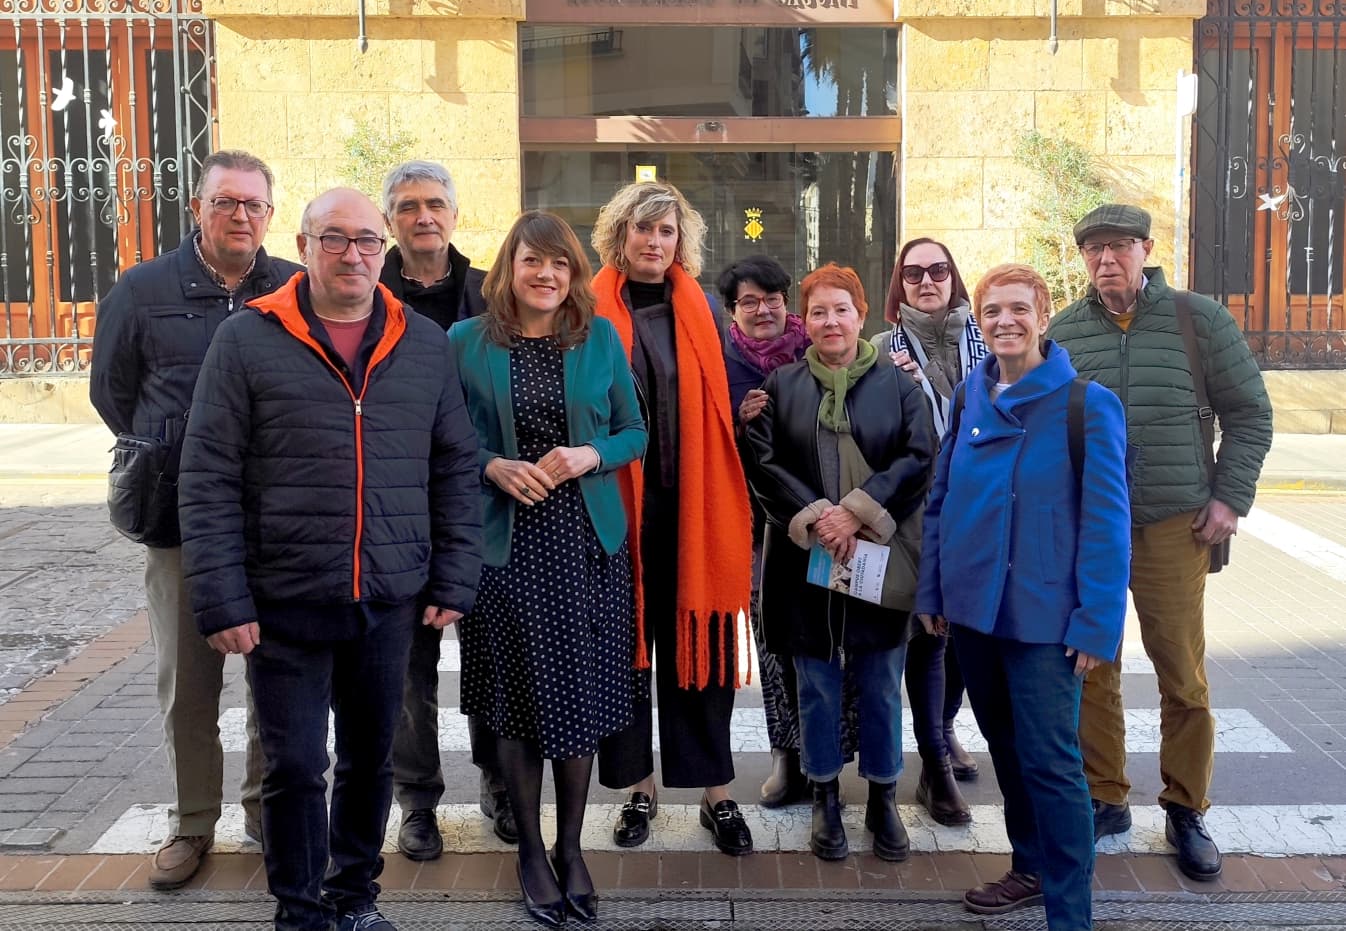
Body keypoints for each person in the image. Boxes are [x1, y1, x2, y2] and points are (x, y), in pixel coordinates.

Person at [177, 187, 483, 931]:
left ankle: (355, 896)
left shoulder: (421, 342)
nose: (353, 254)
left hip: (388, 596)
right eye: (335, 239)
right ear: (304, 247)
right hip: (285, 598)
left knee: (370, 758)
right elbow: (208, 475)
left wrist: (454, 576)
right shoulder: (247, 339)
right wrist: (222, 600)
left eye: (367, 240)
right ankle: (300, 910)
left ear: (385, 249)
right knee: (292, 765)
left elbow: (454, 464)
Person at [89, 149, 298, 888]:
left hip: (276, 521)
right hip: (180, 520)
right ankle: (192, 822)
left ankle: (268, 813)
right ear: (198, 209)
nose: (240, 215)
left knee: (276, 680)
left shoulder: (294, 287)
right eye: (225, 202)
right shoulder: (142, 290)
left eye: (254, 204)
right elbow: (113, 395)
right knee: (188, 684)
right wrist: (174, 447)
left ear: (270, 215)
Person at [1049, 204, 1273, 882]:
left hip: (1175, 523)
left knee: (1181, 671)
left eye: (1119, 246)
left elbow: (1250, 413)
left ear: (1146, 248)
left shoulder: (1197, 320)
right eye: (1093, 249)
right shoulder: (1064, 332)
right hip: (1090, 526)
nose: (1106, 259)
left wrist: (1229, 498)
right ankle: (1105, 794)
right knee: (1091, 664)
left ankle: (1185, 806)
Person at [916, 262, 1130, 930]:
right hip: (975, 612)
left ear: (1042, 314)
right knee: (1006, 751)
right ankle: (1029, 867)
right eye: (992, 311)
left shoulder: (1086, 405)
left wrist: (1097, 621)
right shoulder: (968, 397)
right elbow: (942, 500)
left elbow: (1107, 522)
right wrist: (933, 589)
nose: (1005, 321)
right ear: (979, 323)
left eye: (1018, 308)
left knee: (1053, 764)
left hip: (1045, 619)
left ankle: (1070, 912)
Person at [450, 211, 646, 926]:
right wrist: (491, 466)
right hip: (505, 548)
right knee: (514, 698)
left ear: (574, 273)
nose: (546, 274)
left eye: (560, 263)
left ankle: (571, 847)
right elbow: (444, 438)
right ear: (509, 268)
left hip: (587, 545)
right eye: (532, 260)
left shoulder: (600, 337)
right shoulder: (465, 341)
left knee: (580, 698)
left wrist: (591, 454)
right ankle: (530, 850)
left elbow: (634, 430)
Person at [744, 263, 935, 862]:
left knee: (881, 685)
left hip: (879, 555)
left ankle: (883, 795)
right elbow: (763, 463)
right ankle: (824, 793)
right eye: (819, 312)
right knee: (817, 686)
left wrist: (856, 512)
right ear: (806, 321)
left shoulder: (898, 385)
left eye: (842, 310)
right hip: (805, 560)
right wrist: (818, 517)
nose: (831, 322)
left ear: (861, 315)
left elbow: (919, 456)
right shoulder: (781, 386)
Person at [589, 181, 756, 857]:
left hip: (693, 507)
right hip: (617, 510)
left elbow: (729, 392)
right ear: (620, 235)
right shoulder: (589, 309)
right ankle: (640, 788)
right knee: (624, 656)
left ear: (680, 240)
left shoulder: (704, 308)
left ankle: (717, 792)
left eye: (666, 230)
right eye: (643, 229)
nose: (654, 242)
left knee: (702, 654)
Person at [377, 160, 513, 858]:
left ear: (455, 214)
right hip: (395, 508)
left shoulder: (495, 293)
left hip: (483, 506)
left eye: (434, 203)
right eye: (407, 206)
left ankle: (499, 781)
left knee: (491, 657)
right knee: (408, 669)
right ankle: (418, 801)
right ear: (389, 220)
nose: (423, 216)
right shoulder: (365, 294)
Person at [718, 254, 858, 807]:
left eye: (772, 299)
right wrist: (736, 421)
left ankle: (828, 759)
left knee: (832, 640)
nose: (762, 310)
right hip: (758, 531)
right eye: (748, 302)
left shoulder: (817, 351)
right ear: (732, 311)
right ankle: (785, 752)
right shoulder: (721, 362)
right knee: (775, 643)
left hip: (829, 524)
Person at [872, 238, 988, 826]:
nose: (926, 281)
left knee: (964, 633)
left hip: (982, 511)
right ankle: (932, 762)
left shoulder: (989, 339)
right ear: (900, 283)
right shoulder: (881, 348)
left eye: (938, 270)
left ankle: (942, 728)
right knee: (925, 635)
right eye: (913, 272)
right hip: (916, 513)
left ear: (953, 276)